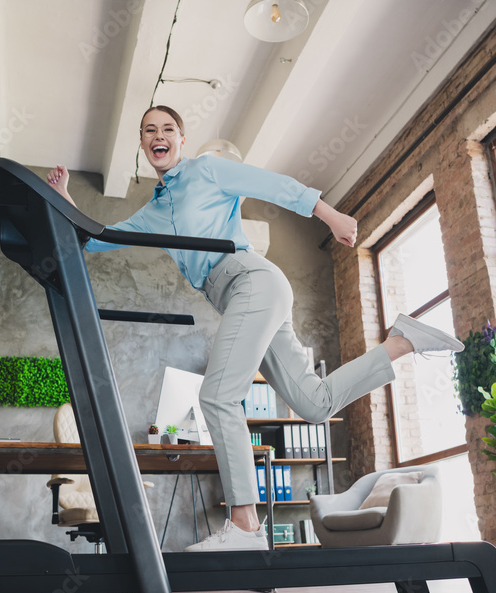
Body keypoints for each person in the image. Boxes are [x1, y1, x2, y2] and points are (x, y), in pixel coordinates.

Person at [46, 105, 463, 552]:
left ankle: (245, 526)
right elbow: (98, 238)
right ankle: (401, 343)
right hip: (244, 296)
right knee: (314, 403)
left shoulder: (206, 171)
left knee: (216, 396)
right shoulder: (155, 210)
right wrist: (63, 197)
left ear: (181, 140)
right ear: (144, 145)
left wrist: (332, 216)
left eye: (167, 128)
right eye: (149, 131)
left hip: (250, 280)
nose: (158, 135)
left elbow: (273, 185)